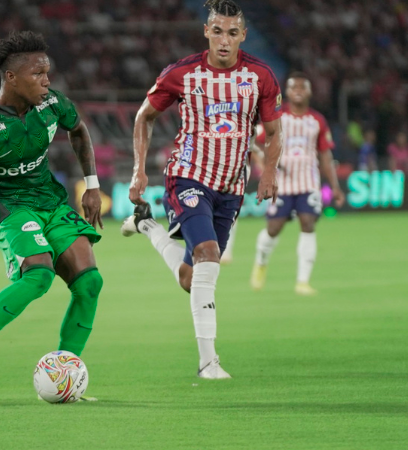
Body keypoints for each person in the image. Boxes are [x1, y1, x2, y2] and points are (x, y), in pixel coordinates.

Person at [120, 0, 283, 379]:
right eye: (218, 31)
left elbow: (275, 132)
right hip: (188, 177)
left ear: (243, 35)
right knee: (208, 254)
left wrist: (269, 173)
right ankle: (208, 362)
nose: (224, 40)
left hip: (231, 186)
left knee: (190, 278)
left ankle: (146, 226)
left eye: (232, 33)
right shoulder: (182, 73)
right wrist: (138, 171)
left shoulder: (260, 76)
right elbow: (144, 117)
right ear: (206, 31)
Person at [0, 31, 104, 385]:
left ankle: (65, 374)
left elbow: (78, 129)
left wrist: (92, 184)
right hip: (10, 208)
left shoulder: (52, 103)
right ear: (11, 77)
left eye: (47, 72)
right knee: (39, 276)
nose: (47, 81)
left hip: (50, 200)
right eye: (38, 74)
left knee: (90, 283)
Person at [250, 72, 345, 295]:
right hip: (281, 183)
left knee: (308, 224)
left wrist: (335, 187)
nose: (299, 91)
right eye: (295, 87)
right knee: (274, 228)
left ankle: (303, 281)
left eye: (303, 87)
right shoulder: (276, 117)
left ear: (310, 92)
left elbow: (325, 155)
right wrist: (265, 167)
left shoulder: (317, 121)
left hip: (308, 182)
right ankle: (261, 263)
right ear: (288, 92)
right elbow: (255, 143)